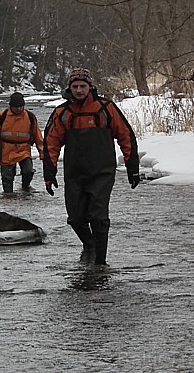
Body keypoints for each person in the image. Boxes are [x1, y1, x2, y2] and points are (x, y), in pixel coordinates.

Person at [42, 67, 140, 265]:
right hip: (75, 174)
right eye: (75, 86)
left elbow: (126, 136)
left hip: (102, 173)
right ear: (70, 87)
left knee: (98, 217)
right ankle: (89, 244)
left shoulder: (106, 109)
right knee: (76, 218)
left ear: (90, 87)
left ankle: (100, 263)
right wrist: (49, 173)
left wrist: (133, 167)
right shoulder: (62, 113)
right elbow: (51, 144)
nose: (79, 90)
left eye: (83, 86)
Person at [0, 93, 44, 193]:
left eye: (20, 106)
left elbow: (38, 136)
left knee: (28, 171)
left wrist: (43, 153)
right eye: (16, 107)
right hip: (6, 150)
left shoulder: (30, 117)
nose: (18, 109)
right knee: (7, 177)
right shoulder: (2, 117)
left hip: (24, 150)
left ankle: (25, 187)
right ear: (10, 105)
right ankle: (8, 198)